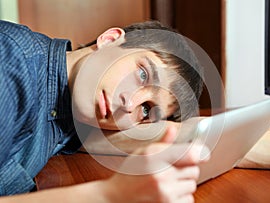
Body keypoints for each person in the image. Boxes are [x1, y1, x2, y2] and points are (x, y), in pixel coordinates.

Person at [0, 19, 209, 202]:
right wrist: (108, 195)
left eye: (146, 110)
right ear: (110, 40)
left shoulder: (73, 112)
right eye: (143, 75)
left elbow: (140, 134)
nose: (129, 105)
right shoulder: (12, 66)